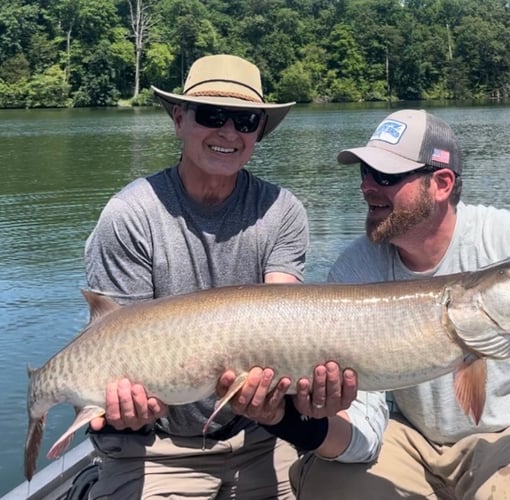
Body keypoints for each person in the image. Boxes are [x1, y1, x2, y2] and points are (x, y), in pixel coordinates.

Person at [287, 109, 510, 499]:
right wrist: (306, 418)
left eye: (385, 176)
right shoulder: (355, 268)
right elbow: (364, 409)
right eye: (364, 173)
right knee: (332, 486)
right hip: (417, 441)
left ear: (442, 183)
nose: (366, 187)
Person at [83, 54, 353, 499]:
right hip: (156, 446)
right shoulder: (130, 215)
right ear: (179, 119)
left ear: (258, 133)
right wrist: (124, 408)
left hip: (260, 438)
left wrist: (302, 383)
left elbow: (283, 324)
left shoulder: (282, 211)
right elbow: (116, 343)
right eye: (211, 115)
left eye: (246, 120)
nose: (229, 132)